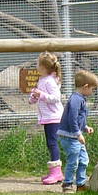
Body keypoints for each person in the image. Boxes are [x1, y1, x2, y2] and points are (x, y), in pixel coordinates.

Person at [55, 69, 98, 194]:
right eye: (92, 89)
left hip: (75, 135)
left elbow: (80, 118)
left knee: (84, 159)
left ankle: (80, 183)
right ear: (86, 86)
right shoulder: (76, 99)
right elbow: (72, 118)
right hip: (70, 136)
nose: (92, 91)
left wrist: (85, 127)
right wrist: (78, 133)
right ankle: (67, 184)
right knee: (73, 161)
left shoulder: (81, 98)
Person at [28, 52, 65, 185]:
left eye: (38, 64)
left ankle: (56, 172)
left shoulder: (50, 81)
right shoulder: (43, 80)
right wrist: (34, 97)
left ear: (43, 67)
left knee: (52, 143)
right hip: (47, 117)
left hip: (54, 117)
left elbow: (56, 98)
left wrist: (42, 95)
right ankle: (55, 172)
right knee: (50, 143)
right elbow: (39, 97)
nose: (36, 66)